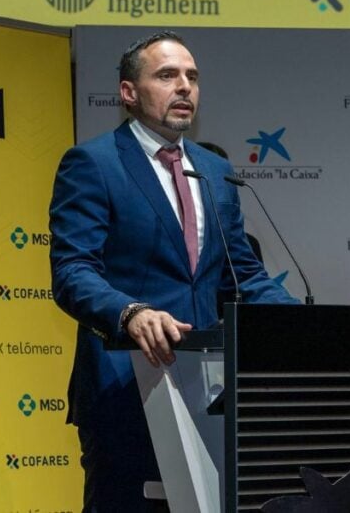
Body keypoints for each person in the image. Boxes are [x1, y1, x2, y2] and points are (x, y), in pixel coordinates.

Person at [49, 31, 298, 511]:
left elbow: (242, 276)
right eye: (167, 75)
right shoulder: (93, 164)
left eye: (192, 77)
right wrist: (130, 313)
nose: (184, 86)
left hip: (206, 391)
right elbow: (72, 270)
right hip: (125, 387)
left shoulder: (214, 171)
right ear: (128, 92)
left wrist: (304, 325)